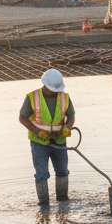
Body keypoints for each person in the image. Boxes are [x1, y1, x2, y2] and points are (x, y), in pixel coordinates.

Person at [19, 68, 76, 205]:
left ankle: (63, 201)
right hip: (39, 142)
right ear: (45, 86)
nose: (56, 92)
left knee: (62, 171)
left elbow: (71, 116)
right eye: (53, 90)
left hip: (59, 141)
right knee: (42, 174)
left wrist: (67, 128)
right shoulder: (32, 97)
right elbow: (22, 118)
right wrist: (37, 131)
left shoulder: (64, 97)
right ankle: (44, 205)